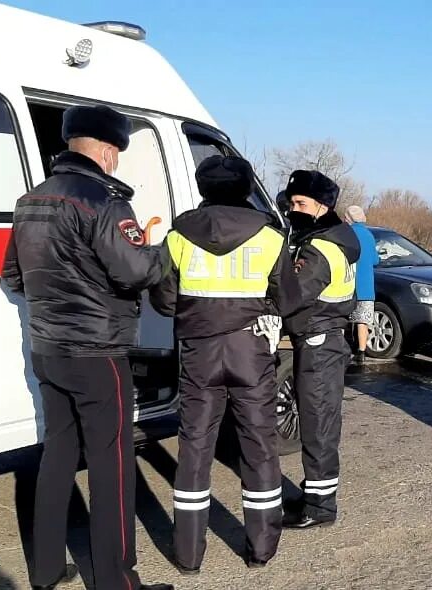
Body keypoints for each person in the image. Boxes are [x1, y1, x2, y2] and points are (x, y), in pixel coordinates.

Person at [1, 105, 172, 590]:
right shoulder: (104, 200)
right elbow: (134, 271)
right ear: (104, 148)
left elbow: (12, 277)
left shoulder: (29, 201)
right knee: (111, 463)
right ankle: (117, 582)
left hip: (47, 348)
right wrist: (158, 252)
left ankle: (47, 570)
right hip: (98, 352)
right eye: (116, 152)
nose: (115, 161)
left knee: (57, 452)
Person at [147, 155, 297, 572]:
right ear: (247, 186)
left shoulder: (178, 235)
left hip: (198, 354)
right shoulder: (269, 236)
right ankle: (261, 548)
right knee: (258, 445)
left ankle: (188, 554)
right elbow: (288, 298)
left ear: (203, 188)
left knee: (194, 447)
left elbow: (162, 300)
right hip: (250, 352)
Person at [280, 170, 361, 529]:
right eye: (291, 202)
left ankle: (321, 507)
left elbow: (292, 296)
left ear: (322, 206)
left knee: (318, 425)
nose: (292, 209)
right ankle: (315, 491)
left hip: (319, 341)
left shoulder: (319, 249)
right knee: (318, 421)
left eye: (300, 203)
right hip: (324, 338)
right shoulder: (332, 240)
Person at [344, 204, 378, 372]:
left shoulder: (347, 234)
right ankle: (361, 352)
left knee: (343, 317)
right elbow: (375, 260)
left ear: (348, 218)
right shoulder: (369, 235)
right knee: (362, 320)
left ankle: (343, 348)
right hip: (366, 285)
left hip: (348, 284)